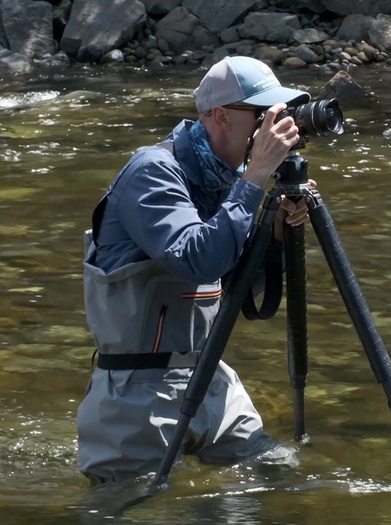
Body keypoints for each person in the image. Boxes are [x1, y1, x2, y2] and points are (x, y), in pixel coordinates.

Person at [77, 56, 313, 483]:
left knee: (283, 480)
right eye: (263, 115)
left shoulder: (228, 178)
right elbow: (196, 260)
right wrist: (256, 176)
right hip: (139, 391)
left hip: (210, 377)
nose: (275, 127)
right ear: (220, 116)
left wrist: (274, 231)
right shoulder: (153, 172)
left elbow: (236, 285)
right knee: (134, 510)